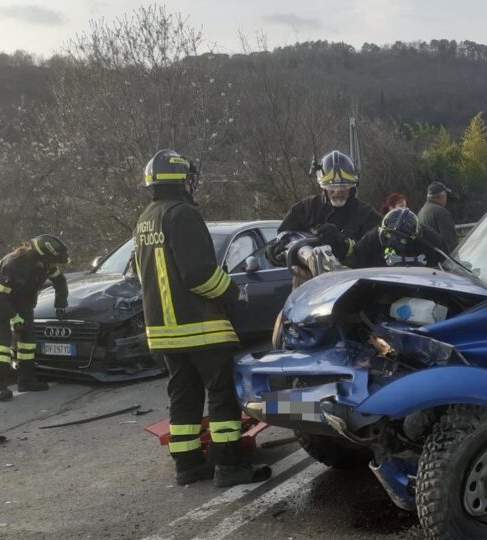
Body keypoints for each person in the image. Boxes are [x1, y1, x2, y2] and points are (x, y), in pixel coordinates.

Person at [134, 149, 270, 488]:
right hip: (200, 326)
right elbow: (198, 275)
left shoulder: (146, 219)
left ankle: (188, 464)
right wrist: (231, 293)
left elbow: (142, 274)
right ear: (183, 181)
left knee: (184, 395)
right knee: (222, 393)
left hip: (163, 331)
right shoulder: (183, 214)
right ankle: (228, 465)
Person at [0, 235, 70, 401]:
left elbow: (60, 281)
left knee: (28, 340)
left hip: (22, 299)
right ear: (44, 255)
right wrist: (14, 319)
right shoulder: (14, 265)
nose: (54, 264)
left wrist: (60, 305)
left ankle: (26, 380)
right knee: (3, 344)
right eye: (53, 260)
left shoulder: (45, 264)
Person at [275, 150, 381, 285]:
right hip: (307, 290)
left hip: (352, 287)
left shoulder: (367, 215)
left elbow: (376, 255)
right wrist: (278, 252)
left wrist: (343, 245)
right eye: (332, 187)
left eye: (343, 187)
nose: (337, 192)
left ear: (352, 187)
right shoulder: (306, 208)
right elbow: (282, 240)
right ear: (323, 187)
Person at [351, 208, 447, 269]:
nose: (392, 242)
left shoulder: (430, 242)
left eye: (402, 239)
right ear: (381, 230)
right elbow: (356, 263)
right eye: (388, 235)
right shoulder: (371, 240)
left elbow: (443, 263)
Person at [417, 181, 458, 253]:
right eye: (446, 195)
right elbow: (450, 243)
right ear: (442, 196)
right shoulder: (442, 213)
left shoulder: (421, 212)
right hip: (443, 260)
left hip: (430, 259)